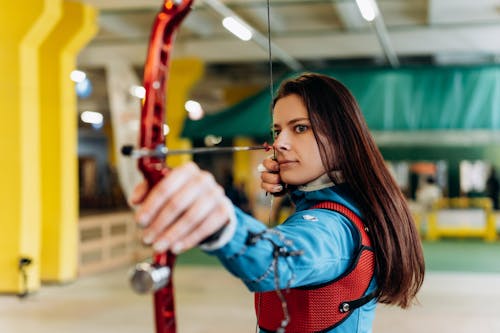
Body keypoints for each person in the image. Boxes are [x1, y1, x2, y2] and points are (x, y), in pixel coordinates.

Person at [130, 73, 425, 333]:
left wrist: (220, 221)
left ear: (340, 137)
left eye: (300, 128)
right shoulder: (349, 206)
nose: (280, 143)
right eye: (277, 131)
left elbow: (276, 259)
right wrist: (296, 189)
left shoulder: (333, 227)